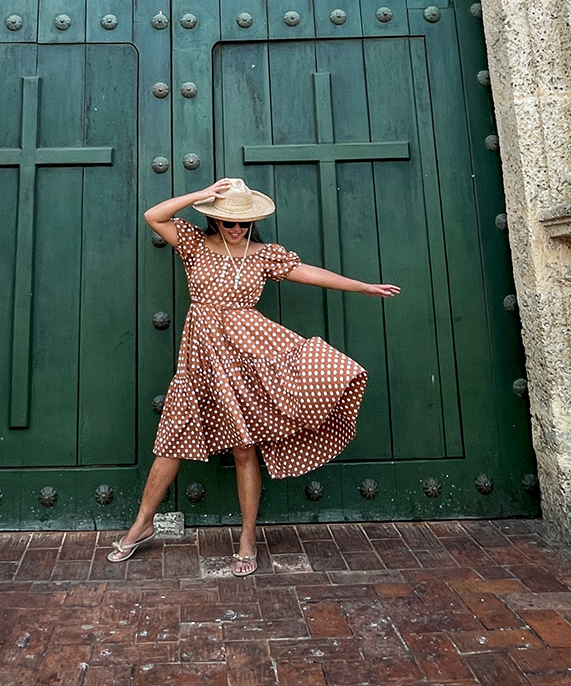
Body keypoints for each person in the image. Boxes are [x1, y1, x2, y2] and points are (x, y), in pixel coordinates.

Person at [108, 176, 400, 576]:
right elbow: (154, 216)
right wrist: (203, 195)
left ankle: (247, 539)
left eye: (243, 223)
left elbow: (309, 272)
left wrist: (361, 287)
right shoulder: (194, 245)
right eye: (229, 222)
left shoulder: (264, 255)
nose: (237, 229)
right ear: (215, 220)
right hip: (200, 356)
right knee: (172, 441)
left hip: (250, 352)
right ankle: (141, 526)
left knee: (245, 448)